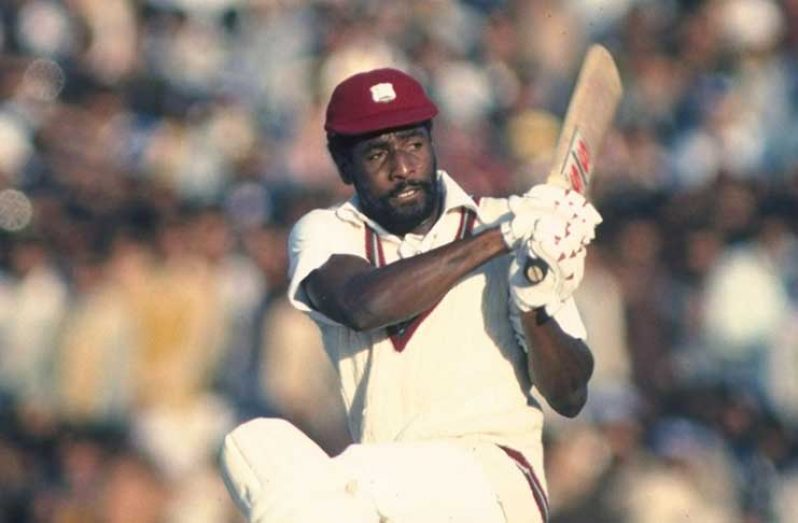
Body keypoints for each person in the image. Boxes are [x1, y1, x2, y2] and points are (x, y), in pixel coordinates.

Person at [219, 67, 601, 523]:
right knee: (251, 443)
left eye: (413, 145)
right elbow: (364, 306)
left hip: (494, 481)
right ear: (343, 165)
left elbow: (570, 396)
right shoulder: (327, 233)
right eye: (378, 154)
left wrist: (533, 301)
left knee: (343, 479)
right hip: (385, 497)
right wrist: (499, 239)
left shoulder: (516, 226)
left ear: (432, 142)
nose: (402, 168)